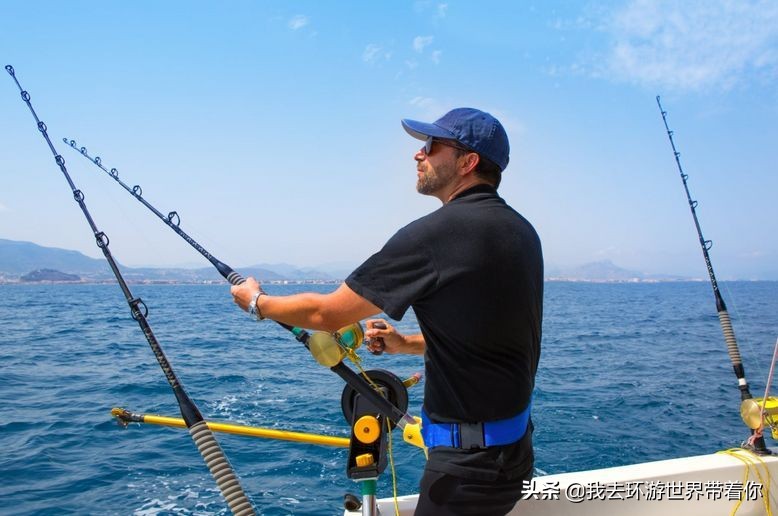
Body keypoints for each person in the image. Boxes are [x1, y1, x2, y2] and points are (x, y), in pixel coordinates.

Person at [231, 107, 543, 515]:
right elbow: (485, 336)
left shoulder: (436, 235)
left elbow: (329, 314)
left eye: (431, 146)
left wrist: (257, 302)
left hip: (467, 473)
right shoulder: (521, 233)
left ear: (468, 163)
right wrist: (403, 343)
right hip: (513, 453)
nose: (418, 154)